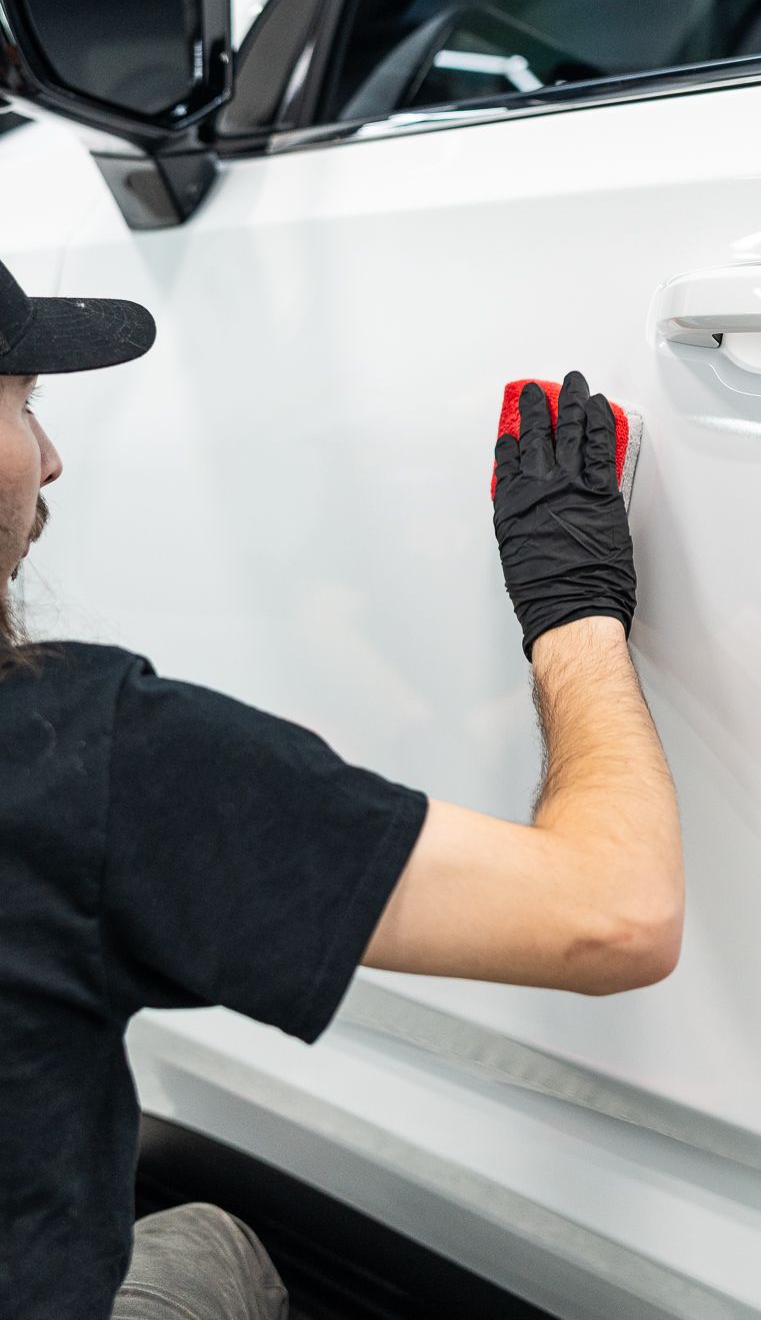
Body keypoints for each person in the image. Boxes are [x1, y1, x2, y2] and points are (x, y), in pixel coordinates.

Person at [0, 254, 684, 1320]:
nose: (48, 461)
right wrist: (572, 606)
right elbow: (614, 916)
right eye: (22, 406)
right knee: (209, 1250)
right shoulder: (77, 753)